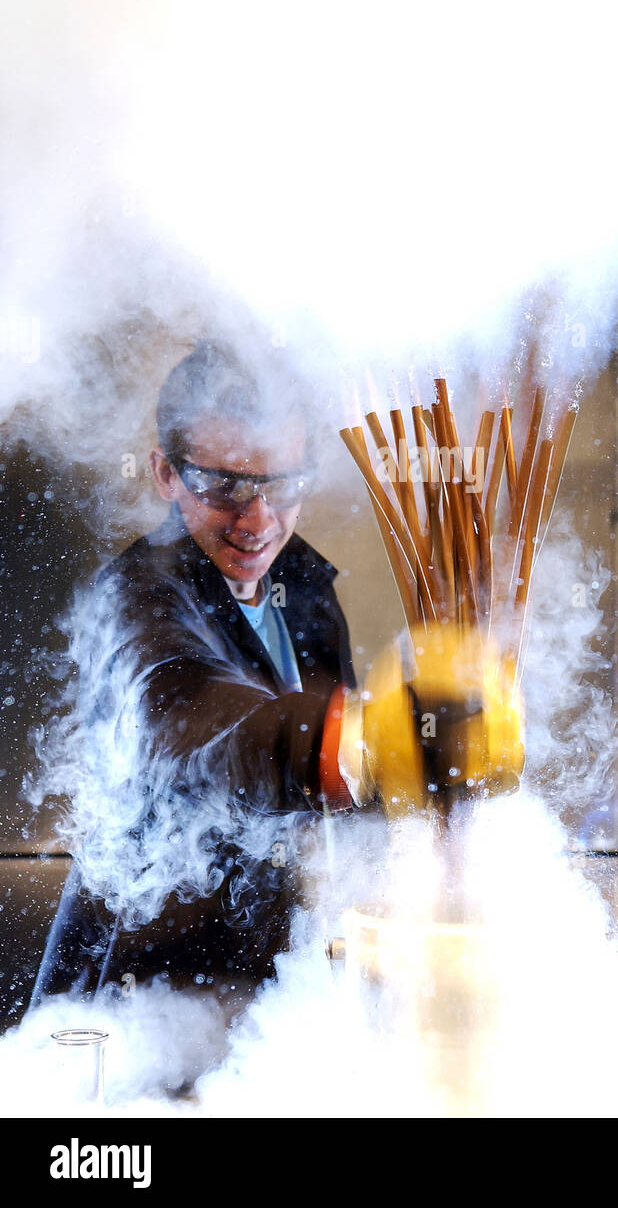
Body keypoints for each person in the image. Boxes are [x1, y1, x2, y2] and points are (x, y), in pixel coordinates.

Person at [31, 340, 356, 1009]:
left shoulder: (306, 586)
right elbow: (191, 717)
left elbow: (331, 806)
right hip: (138, 1003)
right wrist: (358, 741)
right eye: (222, 485)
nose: (258, 521)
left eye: (282, 485)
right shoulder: (135, 595)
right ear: (165, 474)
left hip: (263, 992)